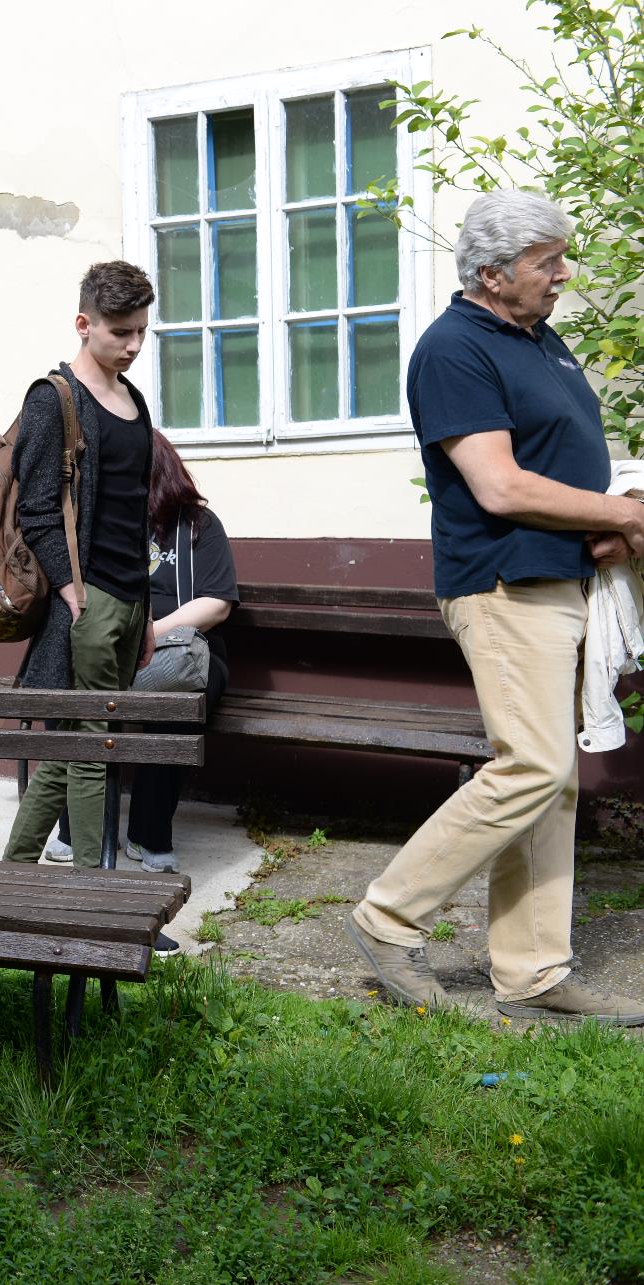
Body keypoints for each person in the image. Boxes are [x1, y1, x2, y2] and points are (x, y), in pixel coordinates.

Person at [347, 190, 644, 1025]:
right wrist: (622, 513)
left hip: (557, 582)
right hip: (502, 585)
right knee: (533, 767)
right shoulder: (452, 349)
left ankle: (532, 968)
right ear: (490, 272)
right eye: (546, 260)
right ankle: (385, 917)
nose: (562, 274)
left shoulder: (539, 342)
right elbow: (499, 484)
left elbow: (558, 465)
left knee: (553, 787)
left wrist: (608, 522)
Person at [1, 263, 159, 886]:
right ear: (83, 323)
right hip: (87, 601)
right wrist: (74, 593)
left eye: (143, 332)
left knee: (72, 750)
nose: (135, 345)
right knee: (95, 752)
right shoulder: (54, 399)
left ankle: (11, 874)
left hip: (127, 599)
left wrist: (143, 613)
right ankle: (96, 893)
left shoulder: (133, 399)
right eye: (122, 333)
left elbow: (134, 511)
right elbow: (36, 507)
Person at [48, 429, 238, 873]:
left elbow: (216, 604)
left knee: (173, 704)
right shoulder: (98, 523)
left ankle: (149, 834)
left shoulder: (196, 526)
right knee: (66, 688)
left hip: (179, 651)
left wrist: (147, 632)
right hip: (109, 646)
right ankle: (78, 830)